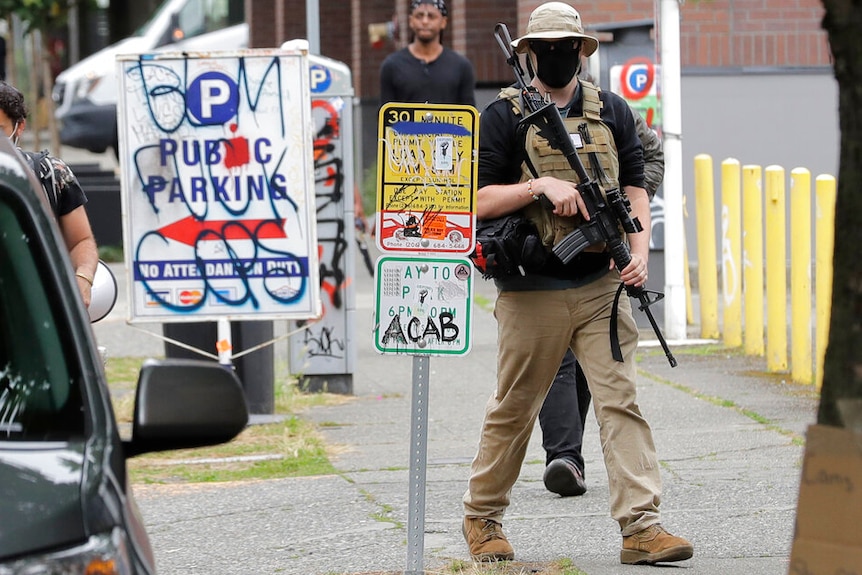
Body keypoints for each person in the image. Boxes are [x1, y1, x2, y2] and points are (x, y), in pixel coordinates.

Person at [461, 2, 693, 566]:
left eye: (569, 46)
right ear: (530, 52)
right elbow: (475, 198)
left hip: (601, 285)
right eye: (550, 47)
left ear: (581, 50)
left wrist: (638, 256)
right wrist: (537, 187)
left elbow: (636, 186)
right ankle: (482, 517)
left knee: (621, 403)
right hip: (531, 287)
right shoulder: (504, 115)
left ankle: (641, 527)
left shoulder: (611, 109)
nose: (560, 56)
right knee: (515, 407)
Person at [539, 109, 665, 497]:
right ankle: (565, 457)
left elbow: (649, 159)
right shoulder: (521, 109)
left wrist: (622, 223)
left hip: (601, 251)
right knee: (557, 361)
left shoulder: (608, 108)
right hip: (542, 250)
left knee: (600, 369)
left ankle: (616, 486)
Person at [0, 81, 98, 308]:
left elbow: (81, 240)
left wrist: (83, 279)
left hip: (39, 312)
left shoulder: (52, 175)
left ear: (19, 127)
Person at [379, 0, 475, 107]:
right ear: (411, 21)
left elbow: (469, 114)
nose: (424, 21)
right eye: (419, 16)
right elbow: (385, 115)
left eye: (431, 16)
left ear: (443, 22)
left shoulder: (461, 66)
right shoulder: (392, 65)